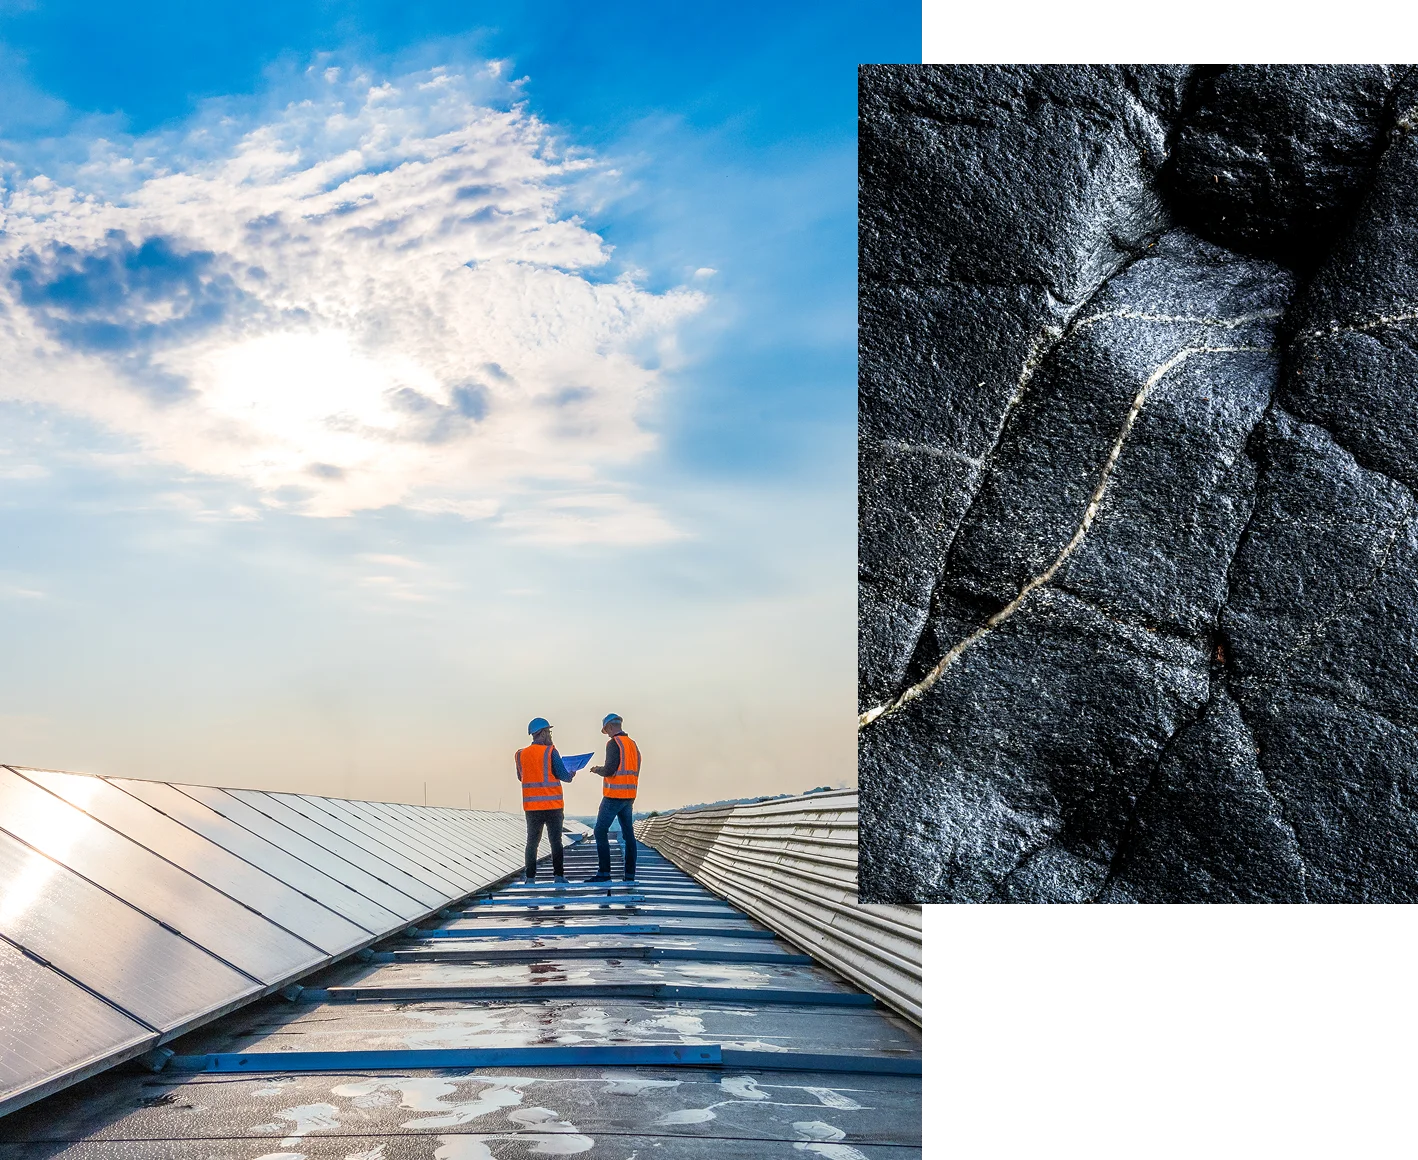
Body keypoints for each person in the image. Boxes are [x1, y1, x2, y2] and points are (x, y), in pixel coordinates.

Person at [516, 717, 575, 882]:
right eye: (548, 731)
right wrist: (570, 774)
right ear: (541, 734)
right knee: (555, 842)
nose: (550, 735)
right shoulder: (551, 752)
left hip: (531, 807)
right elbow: (564, 776)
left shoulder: (520, 754)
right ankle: (558, 876)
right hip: (552, 805)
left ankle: (530, 878)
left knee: (532, 843)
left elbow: (521, 777)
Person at [586, 712, 640, 883]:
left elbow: (610, 770)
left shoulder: (613, 743)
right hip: (629, 796)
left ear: (609, 727)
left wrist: (596, 770)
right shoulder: (632, 745)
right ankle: (629, 875)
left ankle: (604, 873)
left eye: (606, 730)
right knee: (628, 835)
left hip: (614, 795)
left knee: (599, 831)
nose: (607, 734)